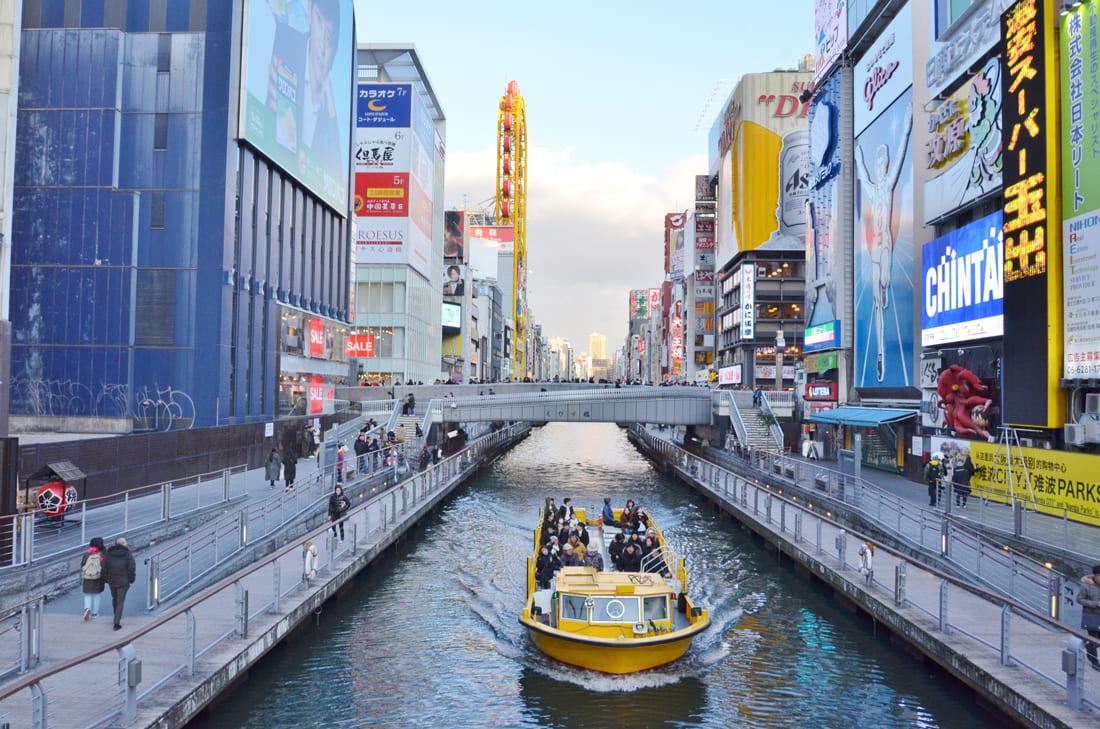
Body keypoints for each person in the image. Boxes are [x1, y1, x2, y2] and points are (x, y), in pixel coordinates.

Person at [854, 102, 913, 382]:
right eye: (878, 161)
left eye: (882, 160)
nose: (881, 164)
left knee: (885, 285)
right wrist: (856, 155)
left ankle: (886, 288)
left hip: (886, 243)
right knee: (877, 302)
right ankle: (879, 355)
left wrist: (908, 122)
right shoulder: (872, 187)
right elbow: (862, 174)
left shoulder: (888, 184)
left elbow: (902, 153)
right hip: (874, 247)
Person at [263, 0, 343, 174]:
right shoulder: (286, 43)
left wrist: (332, 115)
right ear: (309, 12)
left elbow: (336, 177)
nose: (322, 45)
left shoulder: (329, 108)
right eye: (318, 19)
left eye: (329, 37)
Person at [102, 537, 136, 630]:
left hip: (112, 580)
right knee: (120, 601)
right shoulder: (128, 555)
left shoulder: (108, 554)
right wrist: (131, 580)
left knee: (115, 598)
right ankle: (116, 622)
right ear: (123, 544)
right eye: (125, 542)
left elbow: (104, 567)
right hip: (124, 581)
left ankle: (116, 615)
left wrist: (105, 579)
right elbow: (131, 568)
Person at [1078, 565, 1100, 670]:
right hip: (1092, 616)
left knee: (1095, 641)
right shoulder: (1086, 586)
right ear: (1095, 576)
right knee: (1093, 638)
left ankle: (1090, 648)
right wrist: (1095, 604)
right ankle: (1094, 661)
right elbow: (1080, 599)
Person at [80, 537, 107, 621]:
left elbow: (83, 564)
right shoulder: (102, 554)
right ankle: (95, 613)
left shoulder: (87, 554)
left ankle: (87, 608)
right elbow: (105, 565)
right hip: (98, 576)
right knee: (97, 594)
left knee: (87, 594)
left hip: (88, 577)